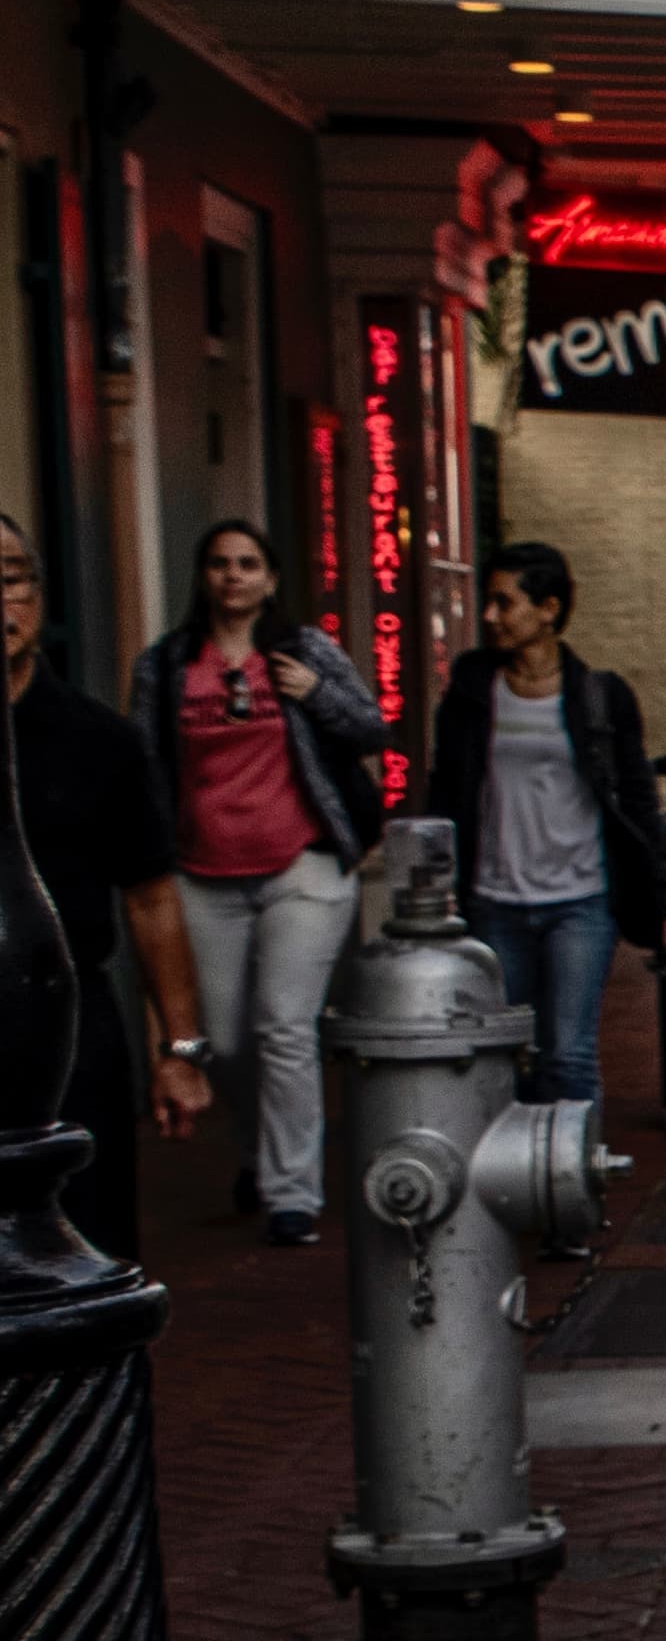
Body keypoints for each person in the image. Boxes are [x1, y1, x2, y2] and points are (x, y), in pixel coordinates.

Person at [128, 517, 380, 1245]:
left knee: (283, 1025)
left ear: (270, 579)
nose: (232, 575)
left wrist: (312, 694)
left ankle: (292, 1192)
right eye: (219, 563)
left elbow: (370, 728)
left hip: (300, 863)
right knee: (227, 1039)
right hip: (204, 873)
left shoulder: (305, 651)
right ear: (203, 577)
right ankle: (255, 1153)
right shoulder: (168, 664)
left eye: (247, 564)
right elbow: (145, 763)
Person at [1, 511, 214, 1265]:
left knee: (87, 1240)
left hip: (72, 1024)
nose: (3, 604)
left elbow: (152, 897)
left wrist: (180, 1047)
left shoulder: (100, 740)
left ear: (39, 596)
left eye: (12, 580)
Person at [426, 542, 666, 1104]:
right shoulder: (472, 687)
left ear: (549, 609)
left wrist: (661, 906)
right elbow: (445, 792)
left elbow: (637, 801)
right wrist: (438, 883)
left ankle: (573, 1180)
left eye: (504, 603)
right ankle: (515, 1180)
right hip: (494, 899)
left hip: (581, 900)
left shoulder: (599, 697)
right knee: (504, 1054)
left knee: (569, 1054)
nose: (490, 617)